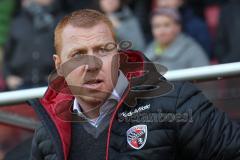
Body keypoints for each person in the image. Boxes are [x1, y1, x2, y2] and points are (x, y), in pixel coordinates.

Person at [29, 9, 240, 160]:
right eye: (78, 54)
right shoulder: (48, 131)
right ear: (59, 65)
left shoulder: (178, 103)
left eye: (103, 50)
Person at [3, 0, 63, 90]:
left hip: (50, 85)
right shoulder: (18, 20)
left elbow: (67, 52)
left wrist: (58, 76)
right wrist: (8, 77)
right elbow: (7, 54)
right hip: (19, 84)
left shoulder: (61, 20)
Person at [145, 8, 209, 70]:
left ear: (178, 27)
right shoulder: (148, 50)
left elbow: (205, 77)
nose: (161, 31)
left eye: (166, 25)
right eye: (156, 26)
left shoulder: (192, 50)